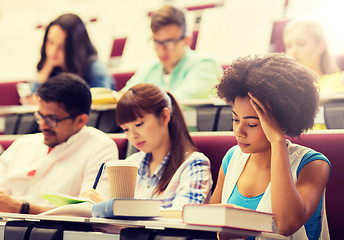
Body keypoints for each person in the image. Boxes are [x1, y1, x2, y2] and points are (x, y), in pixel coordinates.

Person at [209, 53, 331, 239]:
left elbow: (286, 224)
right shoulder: (232, 158)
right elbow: (211, 222)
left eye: (252, 124)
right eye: (235, 119)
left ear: (281, 121)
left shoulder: (313, 164)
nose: (239, 131)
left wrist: (277, 141)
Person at [0, 73, 118, 214]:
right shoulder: (23, 144)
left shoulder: (100, 147)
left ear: (80, 121)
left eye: (52, 119)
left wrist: (22, 209)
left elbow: (90, 212)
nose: (43, 125)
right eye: (40, 116)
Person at [83, 83, 213, 210]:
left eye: (139, 124)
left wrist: (114, 208)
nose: (133, 136)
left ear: (164, 116)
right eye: (126, 129)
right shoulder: (131, 163)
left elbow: (182, 216)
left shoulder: (194, 164)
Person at [122, 5, 222, 100]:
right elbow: (123, 99)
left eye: (169, 43)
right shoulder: (148, 69)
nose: (161, 50)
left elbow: (174, 104)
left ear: (187, 40)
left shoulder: (206, 65)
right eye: (156, 42)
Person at [21, 13, 115, 104]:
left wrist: (50, 102)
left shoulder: (96, 69)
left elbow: (96, 106)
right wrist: (44, 73)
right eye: (50, 42)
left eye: (62, 47)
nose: (53, 51)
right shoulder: (52, 66)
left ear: (76, 48)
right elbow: (34, 99)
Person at [283, 20, 344, 95]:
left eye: (301, 44)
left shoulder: (339, 82)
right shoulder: (286, 88)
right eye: (289, 46)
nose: (293, 51)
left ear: (321, 47)